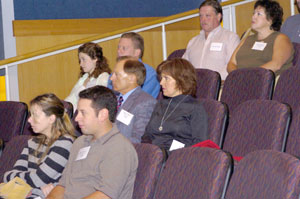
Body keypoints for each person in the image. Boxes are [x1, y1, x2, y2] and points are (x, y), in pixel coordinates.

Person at [47, 86, 138, 199]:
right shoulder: (79, 142)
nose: (76, 118)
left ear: (102, 115)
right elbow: (62, 185)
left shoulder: (120, 148)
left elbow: (105, 195)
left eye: (83, 113)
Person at [3, 93, 75, 198]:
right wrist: (35, 186)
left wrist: (31, 184)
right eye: (30, 115)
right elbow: (8, 176)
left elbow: (38, 179)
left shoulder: (64, 143)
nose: (29, 120)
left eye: (35, 115)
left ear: (51, 119)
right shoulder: (33, 142)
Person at [142, 58, 208, 151]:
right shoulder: (160, 104)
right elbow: (147, 136)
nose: (161, 83)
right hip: (154, 156)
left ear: (181, 80)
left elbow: (199, 145)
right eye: (161, 78)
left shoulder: (195, 108)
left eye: (166, 78)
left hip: (179, 158)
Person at [227, 0, 294, 76]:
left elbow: (276, 64)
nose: (253, 17)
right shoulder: (247, 39)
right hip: (239, 81)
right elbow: (231, 63)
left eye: (259, 14)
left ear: (270, 19)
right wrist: (236, 75)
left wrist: (248, 76)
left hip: (263, 83)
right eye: (253, 13)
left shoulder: (281, 39)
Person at [182, 0, 240, 81]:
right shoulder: (193, 41)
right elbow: (183, 66)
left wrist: (211, 80)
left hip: (219, 86)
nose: (203, 19)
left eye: (207, 16)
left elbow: (231, 66)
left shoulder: (230, 38)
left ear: (219, 17)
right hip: (193, 86)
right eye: (201, 16)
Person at [110, 56, 156, 143]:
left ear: (131, 78)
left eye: (116, 74)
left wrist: (111, 145)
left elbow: (139, 139)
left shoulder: (145, 103)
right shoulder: (112, 99)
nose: (111, 78)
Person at [108, 32, 160, 98]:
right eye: (118, 47)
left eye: (124, 48)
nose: (119, 51)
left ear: (137, 52)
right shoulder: (115, 72)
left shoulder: (149, 74)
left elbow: (141, 100)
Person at [65, 42, 111, 111]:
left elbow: (99, 104)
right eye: (80, 60)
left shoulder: (103, 78)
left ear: (95, 59)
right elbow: (71, 98)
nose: (81, 64)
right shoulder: (84, 77)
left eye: (84, 59)